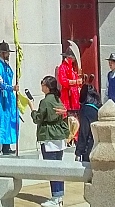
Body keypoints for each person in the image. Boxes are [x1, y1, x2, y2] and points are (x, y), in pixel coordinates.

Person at [33, 76, 69, 207]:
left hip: (49, 138)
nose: (41, 86)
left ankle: (55, 198)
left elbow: (38, 118)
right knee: (58, 167)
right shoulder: (57, 99)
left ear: (47, 87)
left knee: (52, 168)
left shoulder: (45, 102)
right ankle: (59, 196)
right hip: (59, 138)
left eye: (42, 84)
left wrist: (32, 110)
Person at [75, 78, 101, 165]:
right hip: (99, 145)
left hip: (89, 148)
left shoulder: (86, 110)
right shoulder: (99, 108)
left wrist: (78, 152)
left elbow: (84, 132)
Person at [57, 46, 82, 113]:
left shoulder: (72, 67)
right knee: (68, 112)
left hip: (75, 94)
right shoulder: (62, 67)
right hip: (67, 93)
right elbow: (63, 81)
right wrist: (75, 82)